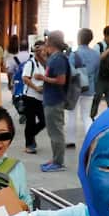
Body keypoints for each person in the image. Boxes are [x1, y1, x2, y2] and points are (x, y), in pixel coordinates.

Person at [40, 32, 70, 173]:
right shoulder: (55, 58)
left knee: (56, 131)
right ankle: (55, 158)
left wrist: (42, 78)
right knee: (53, 131)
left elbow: (61, 80)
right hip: (51, 98)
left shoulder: (58, 59)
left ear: (50, 43)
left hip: (55, 99)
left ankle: (59, 162)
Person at [70, 28, 99, 148]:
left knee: (72, 113)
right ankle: (91, 138)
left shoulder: (74, 54)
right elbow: (97, 73)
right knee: (86, 115)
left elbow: (70, 72)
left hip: (75, 88)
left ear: (79, 39)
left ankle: (70, 140)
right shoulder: (96, 55)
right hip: (89, 87)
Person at [20, 45, 46, 153]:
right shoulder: (30, 63)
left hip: (40, 97)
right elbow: (25, 78)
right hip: (30, 96)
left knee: (44, 121)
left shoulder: (44, 64)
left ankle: (30, 136)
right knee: (30, 121)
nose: (43, 52)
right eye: (40, 50)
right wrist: (36, 88)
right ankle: (29, 144)